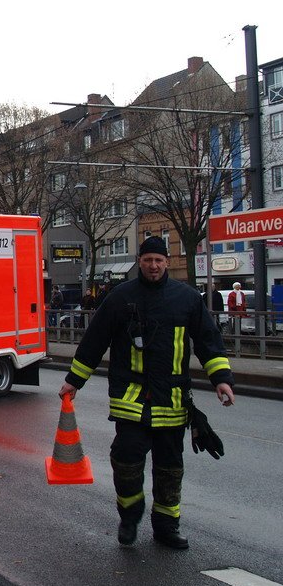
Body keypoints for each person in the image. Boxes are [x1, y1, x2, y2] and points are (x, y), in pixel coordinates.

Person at [59, 235, 235, 550]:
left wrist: (221, 379)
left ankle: (166, 527)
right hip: (131, 401)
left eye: (158, 260)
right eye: (147, 260)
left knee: (170, 469)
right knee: (125, 461)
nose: (153, 266)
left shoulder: (187, 299)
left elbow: (208, 340)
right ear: (140, 262)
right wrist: (74, 380)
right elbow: (94, 341)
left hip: (172, 401)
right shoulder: (119, 298)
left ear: (166, 263)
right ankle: (130, 516)